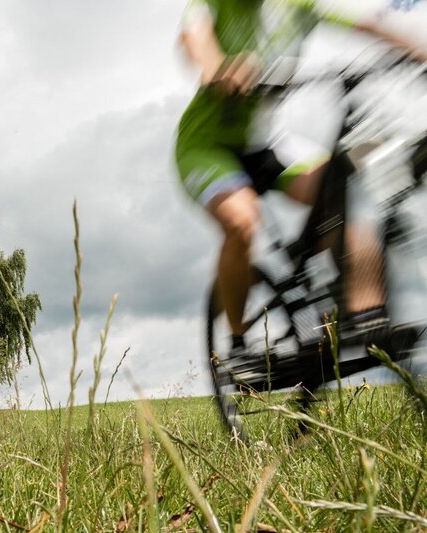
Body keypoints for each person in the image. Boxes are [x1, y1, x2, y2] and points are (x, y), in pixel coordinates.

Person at [175, 0, 425, 357]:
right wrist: (218, 69)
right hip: (206, 147)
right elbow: (193, 38)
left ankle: (364, 316)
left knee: (344, 186)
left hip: (267, 143)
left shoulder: (296, 5)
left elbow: (366, 25)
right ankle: (237, 344)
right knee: (243, 223)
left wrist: (414, 51)